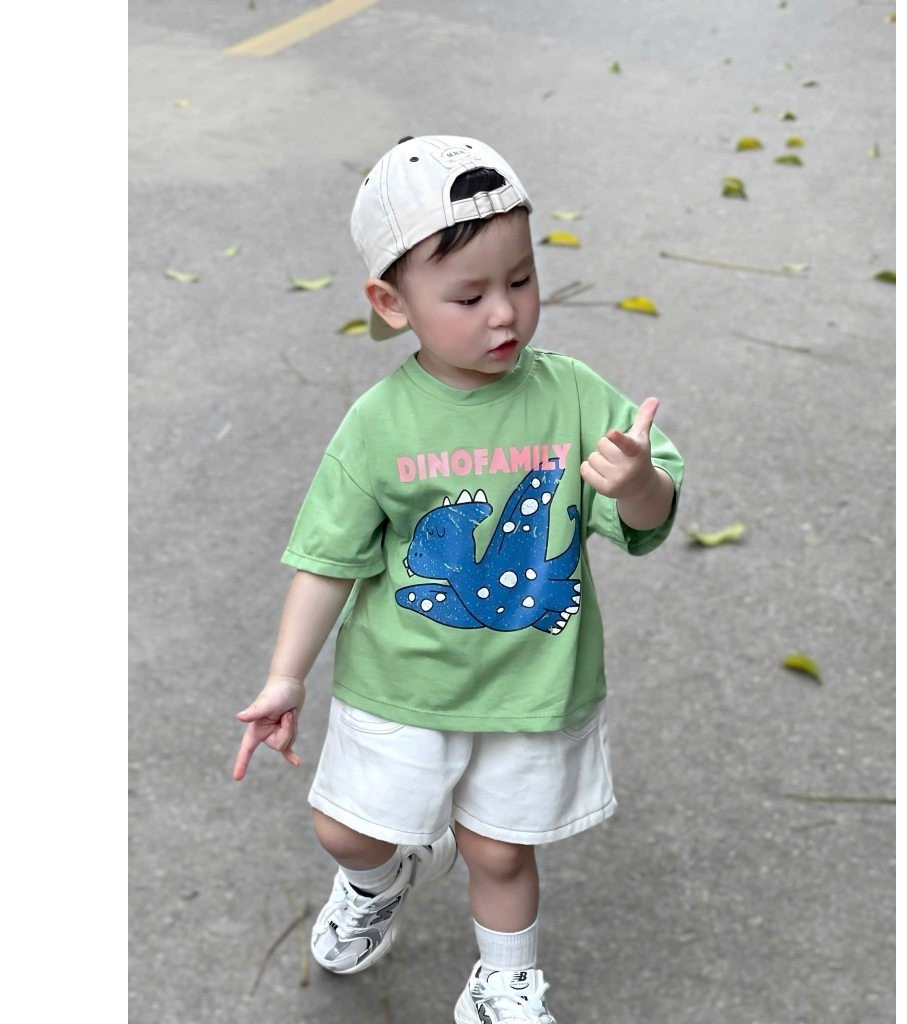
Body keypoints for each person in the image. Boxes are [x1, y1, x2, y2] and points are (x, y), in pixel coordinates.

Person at [233, 134, 684, 1023]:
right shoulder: (378, 424)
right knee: (345, 829)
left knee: (500, 852)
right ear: (390, 303)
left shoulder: (574, 395)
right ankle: (382, 879)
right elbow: (327, 559)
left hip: (532, 685)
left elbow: (647, 517)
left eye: (522, 279)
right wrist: (287, 675)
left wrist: (636, 482)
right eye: (470, 296)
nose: (505, 313)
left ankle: (504, 984)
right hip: (402, 684)